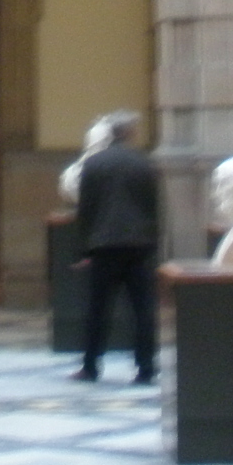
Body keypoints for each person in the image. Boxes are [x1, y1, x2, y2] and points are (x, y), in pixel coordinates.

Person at [70, 109, 161, 384]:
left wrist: (83, 250)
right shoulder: (145, 163)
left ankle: (91, 366)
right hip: (138, 245)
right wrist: (153, 242)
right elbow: (153, 207)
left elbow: (86, 209)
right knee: (143, 311)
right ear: (131, 133)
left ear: (110, 133)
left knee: (98, 309)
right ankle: (145, 368)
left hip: (104, 245)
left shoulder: (94, 164)